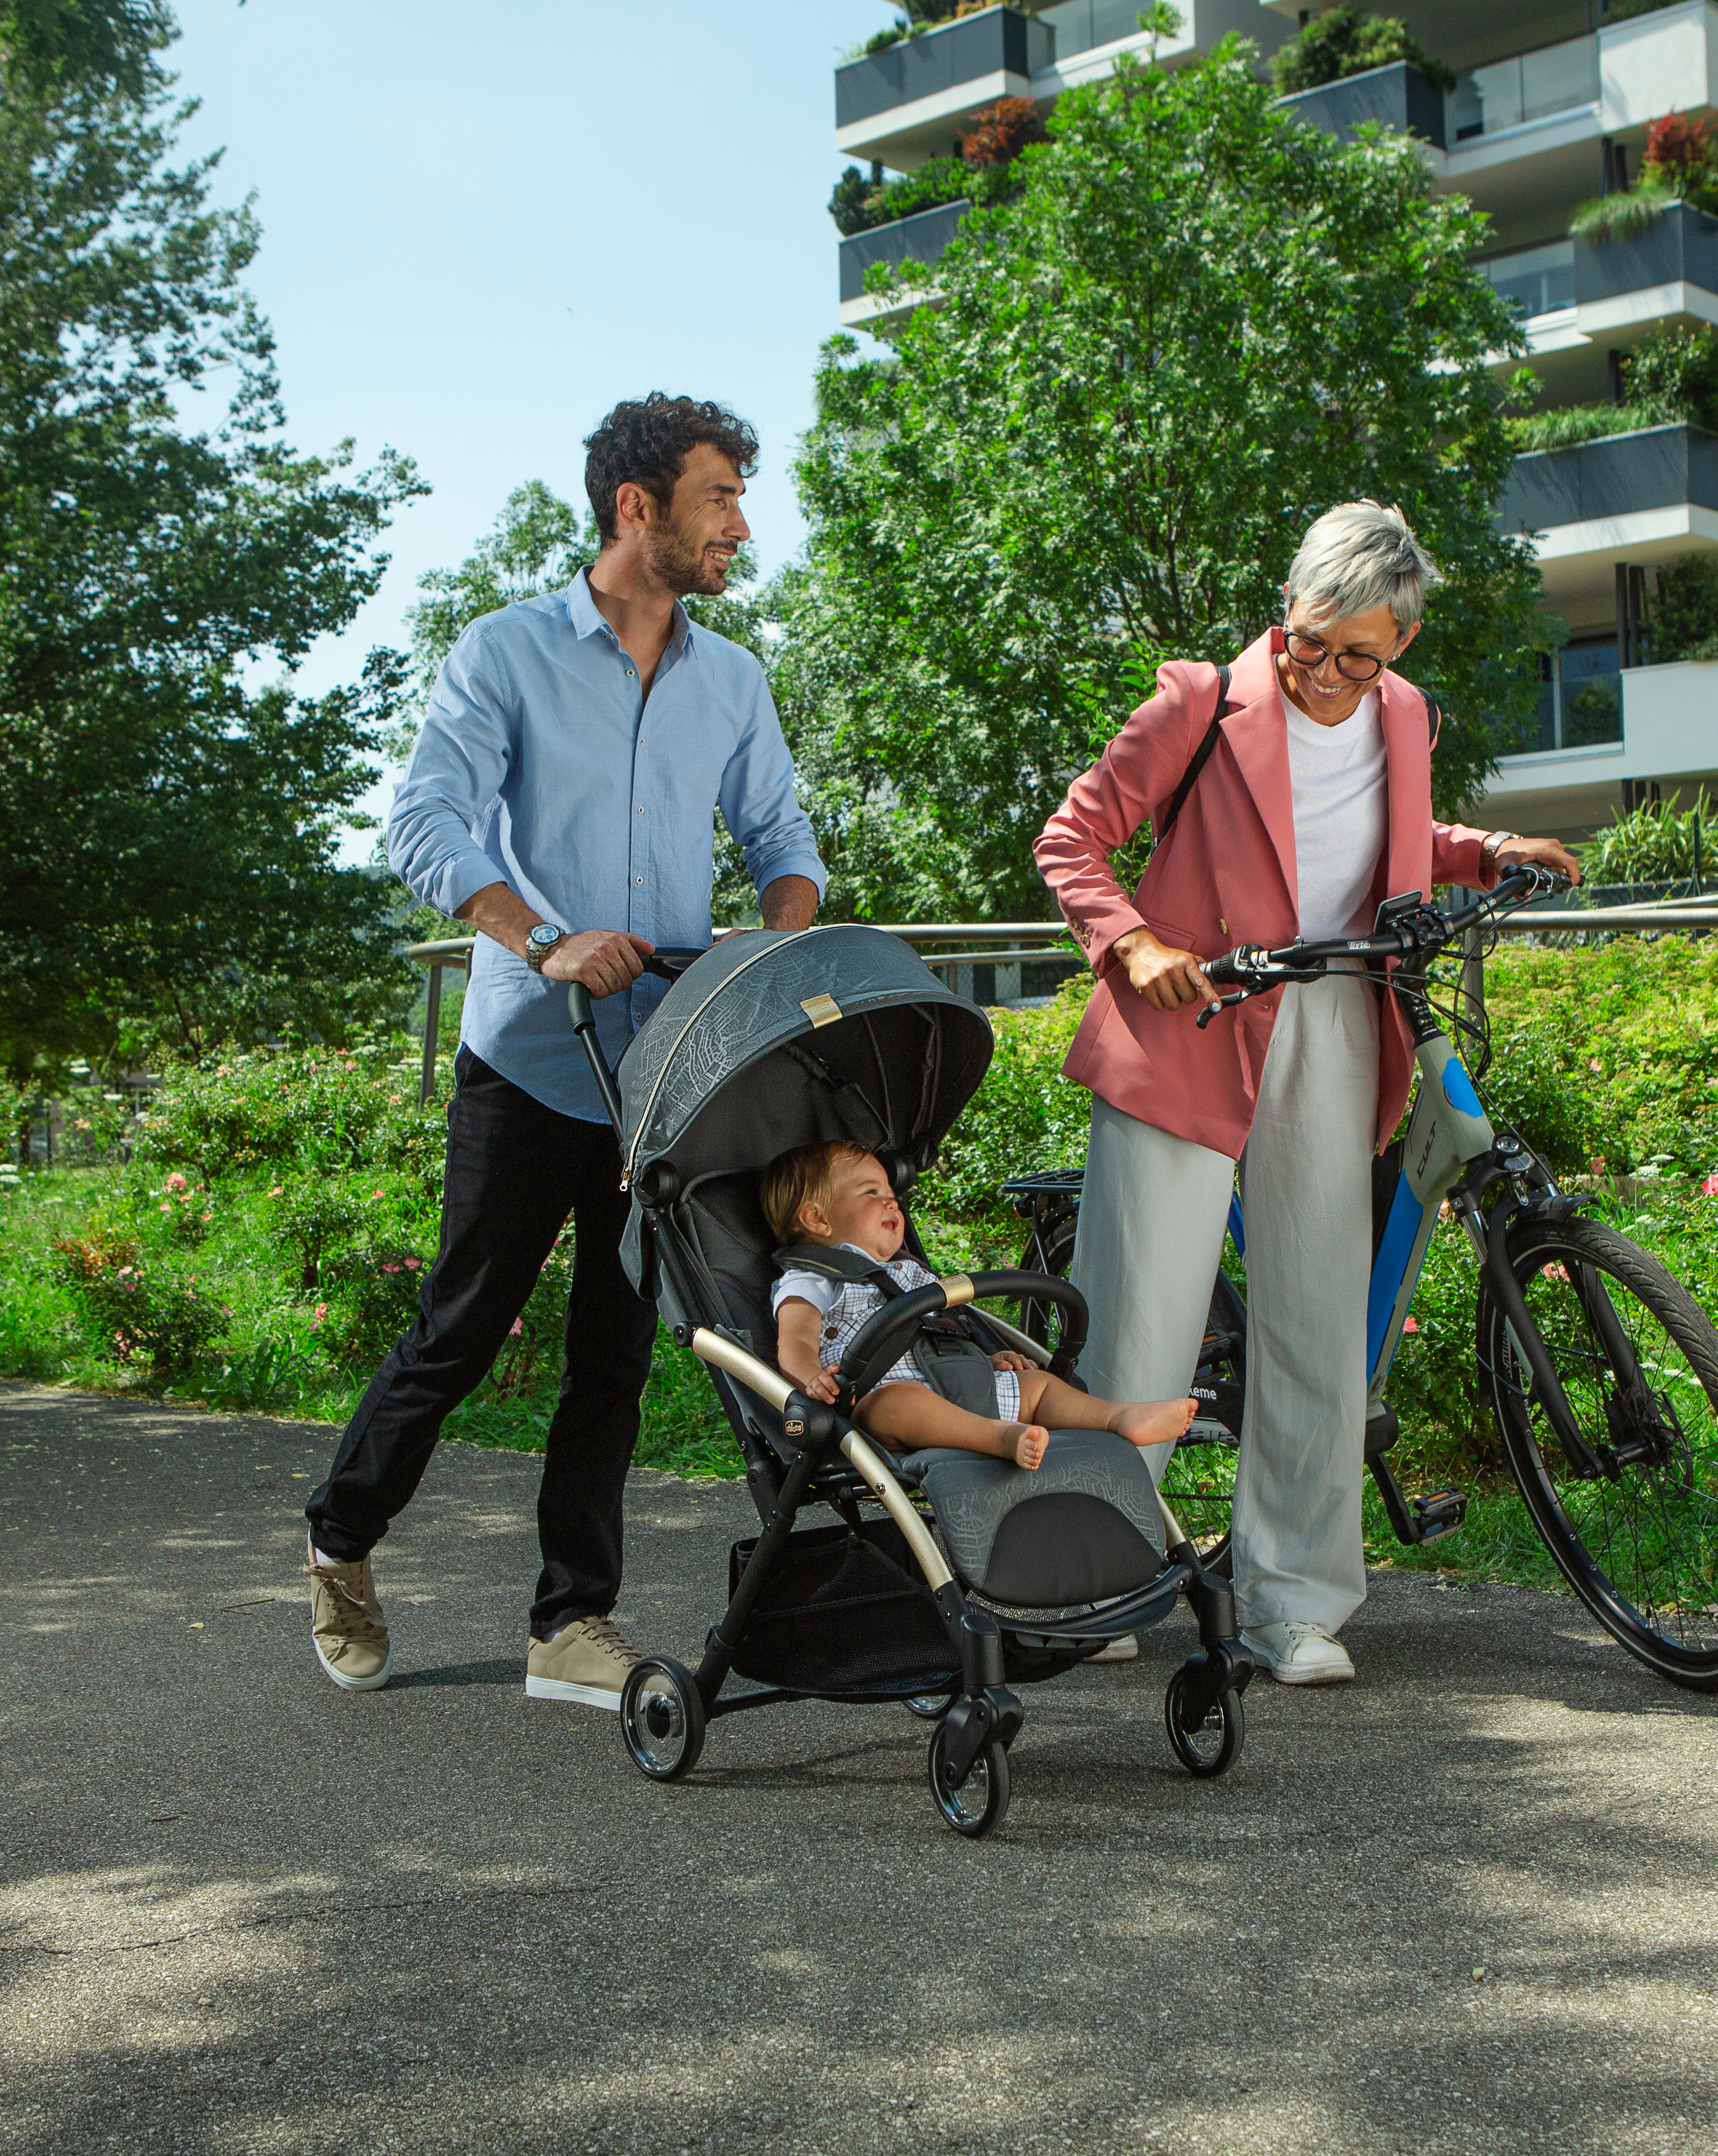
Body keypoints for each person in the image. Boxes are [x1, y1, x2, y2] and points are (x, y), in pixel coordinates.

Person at [303, 395, 825, 1706]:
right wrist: (540, 934)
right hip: (533, 1050)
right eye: (718, 497)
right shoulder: (507, 654)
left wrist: (769, 953)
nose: (740, 526)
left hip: (664, 1059)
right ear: (634, 507)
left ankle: (570, 1617)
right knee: (463, 1326)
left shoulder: (730, 679)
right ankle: (339, 1536)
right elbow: (425, 824)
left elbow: (781, 843)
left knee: (616, 1342)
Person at [1034, 501, 1578, 1687]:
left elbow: (1374, 832)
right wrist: (1129, 944)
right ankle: (1098, 1576)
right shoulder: (1197, 700)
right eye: (1308, 641)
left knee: (1320, 1321)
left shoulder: (1404, 718)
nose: (1325, 673)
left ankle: (1293, 1600)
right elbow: (1072, 839)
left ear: (1401, 649)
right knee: (1141, 1320)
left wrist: (1485, 852)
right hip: (1191, 1019)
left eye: (1358, 655)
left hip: (1336, 1011)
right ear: (1286, 609)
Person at [762, 1140, 1197, 1470]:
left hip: (963, 1383)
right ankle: (1000, 1439)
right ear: (817, 1218)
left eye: (891, 1190)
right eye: (871, 1192)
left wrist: (991, 1358)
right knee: (897, 1405)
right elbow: (795, 1339)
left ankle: (1119, 1417)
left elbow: (944, 1330)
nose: (891, 1200)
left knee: (1040, 1387)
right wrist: (809, 1379)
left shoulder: (910, 1273)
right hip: (882, 1394)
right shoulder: (812, 1277)